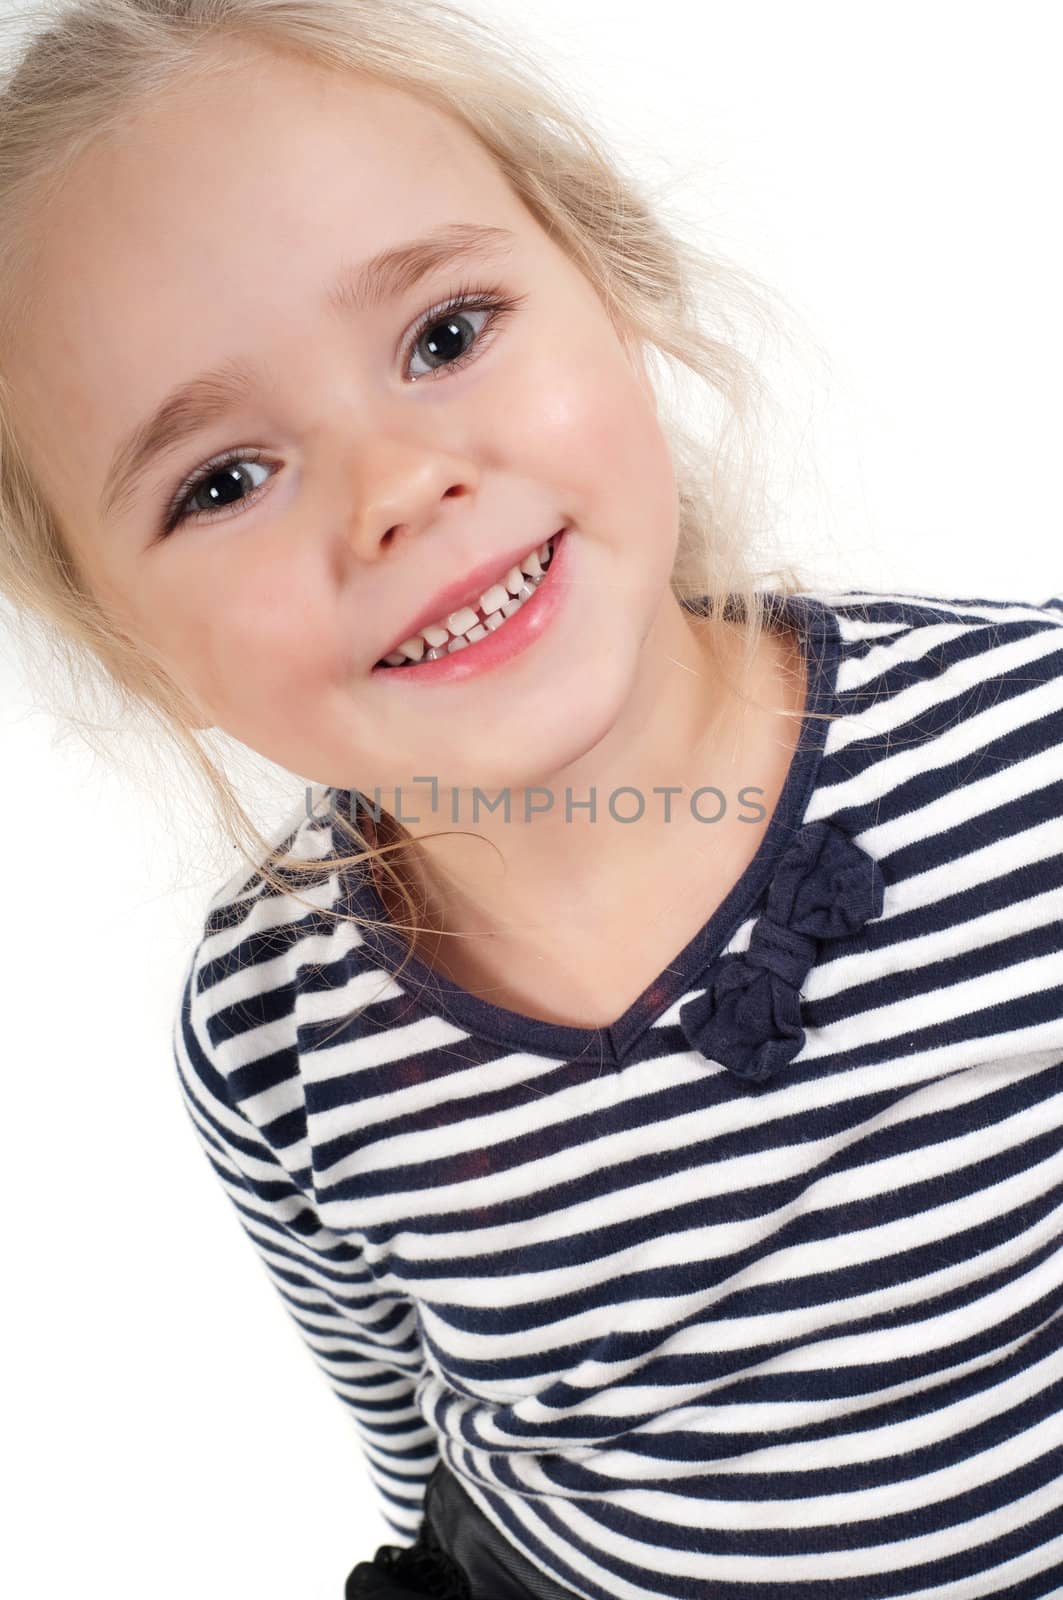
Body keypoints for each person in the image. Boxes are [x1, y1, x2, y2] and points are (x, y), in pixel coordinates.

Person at [0, 2, 1060, 1598]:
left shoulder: (1033, 747)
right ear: (126, 643)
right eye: (220, 480)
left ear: (614, 284)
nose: (394, 488)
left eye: (446, 334)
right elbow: (423, 1461)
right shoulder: (269, 1036)